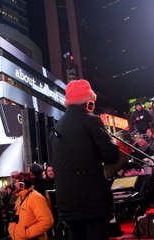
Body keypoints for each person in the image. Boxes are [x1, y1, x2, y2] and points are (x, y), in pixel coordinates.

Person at [49, 79, 121, 240]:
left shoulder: (55, 129)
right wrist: (113, 143)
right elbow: (111, 155)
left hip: (67, 202)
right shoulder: (92, 121)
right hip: (92, 201)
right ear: (88, 103)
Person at [8, 171, 53, 240]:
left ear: (22, 184)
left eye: (16, 181)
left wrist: (26, 233)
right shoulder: (20, 198)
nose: (14, 184)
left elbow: (47, 221)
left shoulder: (35, 197)